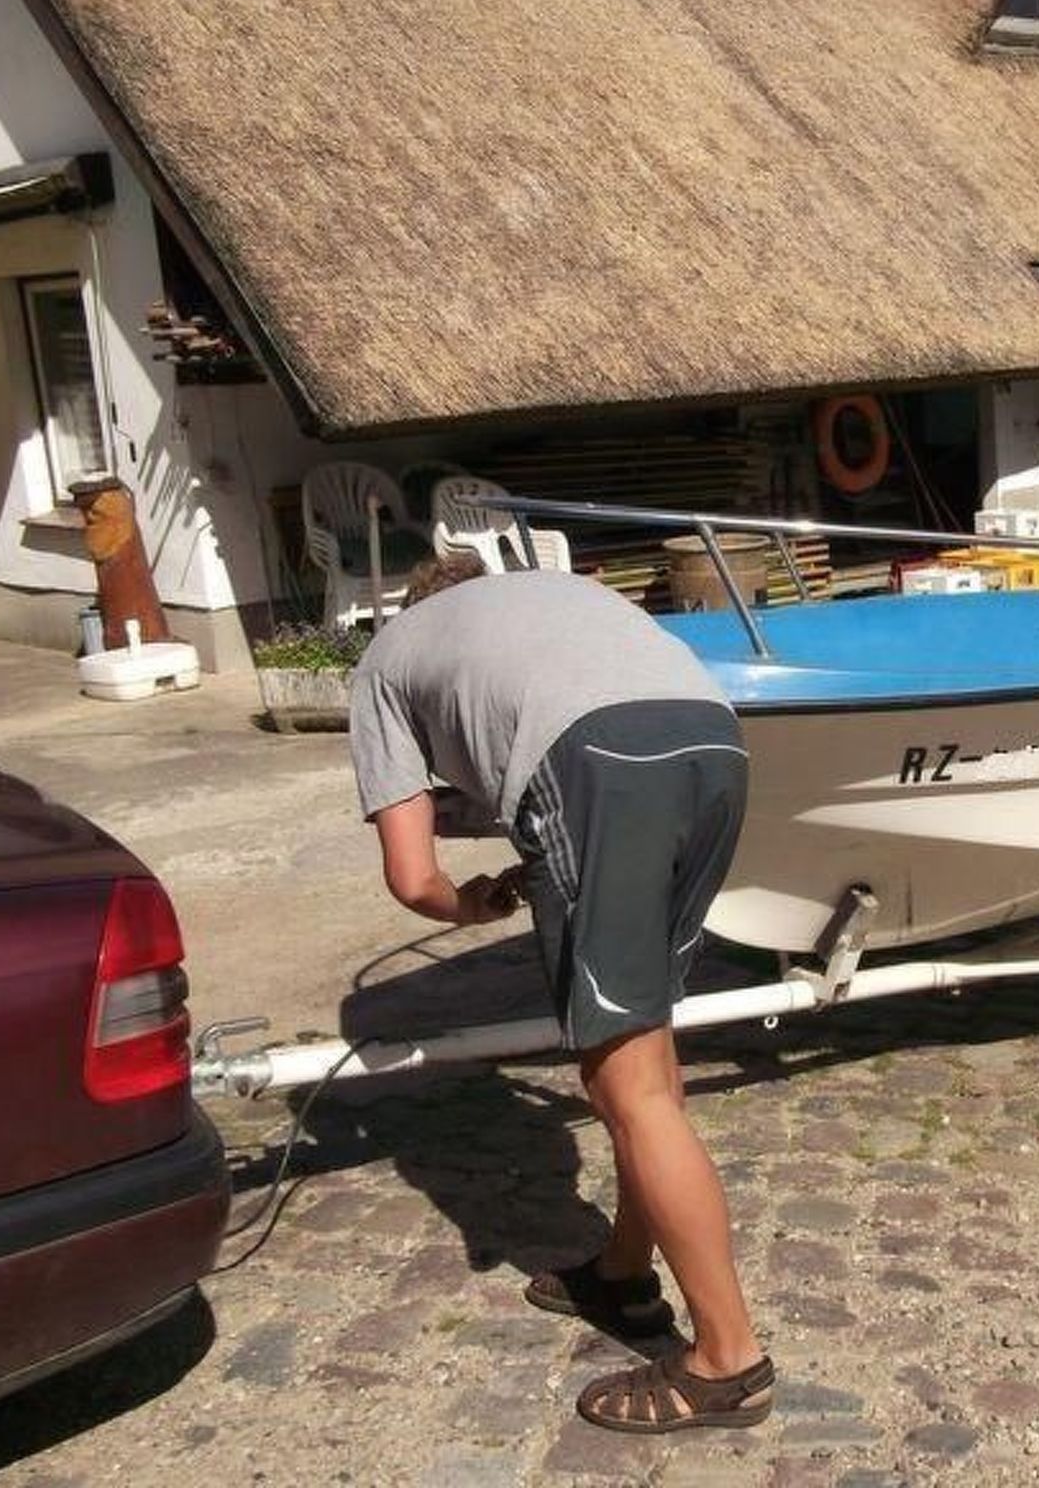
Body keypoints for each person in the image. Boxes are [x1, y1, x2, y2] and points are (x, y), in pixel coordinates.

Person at [348, 555, 773, 1433]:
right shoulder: (559, 595)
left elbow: (411, 873)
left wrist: (465, 904)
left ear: (419, 608)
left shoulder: (389, 656)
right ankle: (623, 1274)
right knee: (647, 1053)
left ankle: (729, 1360)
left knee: (629, 1088)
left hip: (596, 764)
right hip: (715, 748)